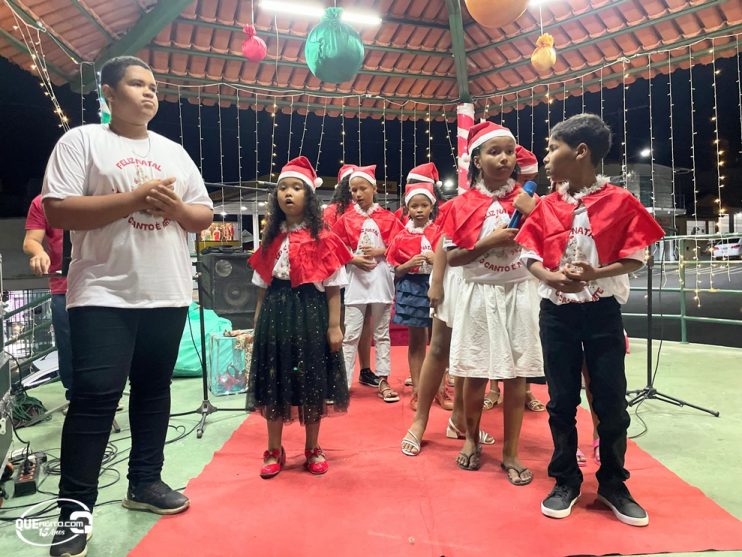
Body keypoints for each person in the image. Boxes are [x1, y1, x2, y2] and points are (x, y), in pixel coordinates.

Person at [41, 55, 214, 557]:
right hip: (102, 291)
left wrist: (174, 208)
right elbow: (59, 208)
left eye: (153, 86)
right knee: (95, 397)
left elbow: (201, 215)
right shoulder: (81, 142)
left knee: (154, 390)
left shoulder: (174, 152)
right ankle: (74, 512)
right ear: (109, 95)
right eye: (136, 84)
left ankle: (145, 483)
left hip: (166, 289)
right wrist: (136, 198)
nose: (148, 93)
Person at [517, 113, 664, 525]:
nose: (545, 157)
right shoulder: (546, 206)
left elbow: (634, 257)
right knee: (561, 401)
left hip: (602, 314)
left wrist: (596, 275)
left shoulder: (619, 202)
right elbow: (528, 256)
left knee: (612, 403)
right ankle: (565, 479)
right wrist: (549, 276)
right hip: (557, 315)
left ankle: (614, 484)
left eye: (551, 147)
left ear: (580, 151)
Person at [444, 121, 543, 485]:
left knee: (517, 376)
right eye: (493, 151)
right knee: (473, 374)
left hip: (519, 293)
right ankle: (470, 438)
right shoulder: (462, 204)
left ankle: (511, 451)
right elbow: (454, 258)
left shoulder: (529, 200)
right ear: (477, 159)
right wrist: (490, 242)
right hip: (479, 295)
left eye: (508, 152)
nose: (503, 159)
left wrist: (534, 214)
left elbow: (550, 243)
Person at [247, 156, 351, 479]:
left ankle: (312, 447)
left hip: (311, 315)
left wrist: (334, 326)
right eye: (282, 188)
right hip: (275, 315)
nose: (287, 193)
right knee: (273, 382)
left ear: (310, 196)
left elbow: (333, 288)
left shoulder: (324, 238)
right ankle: (274, 449)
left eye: (295, 187)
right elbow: (262, 289)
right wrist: (257, 327)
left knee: (312, 382)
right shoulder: (271, 238)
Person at [333, 165, 403, 401]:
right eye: (353, 190)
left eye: (362, 188)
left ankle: (383, 380)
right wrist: (352, 258)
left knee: (382, 333)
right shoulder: (345, 219)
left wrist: (382, 249)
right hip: (356, 282)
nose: (358, 194)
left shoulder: (387, 217)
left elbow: (402, 244)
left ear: (374, 188)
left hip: (381, 280)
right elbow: (333, 246)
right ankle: (341, 382)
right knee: (351, 334)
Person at [386, 173, 442, 410]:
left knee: (439, 342)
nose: (419, 210)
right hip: (411, 289)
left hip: (437, 286)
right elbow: (394, 269)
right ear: (407, 208)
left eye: (424, 205)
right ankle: (418, 389)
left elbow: (452, 261)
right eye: (414, 206)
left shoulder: (440, 232)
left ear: (432, 206)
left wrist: (436, 258)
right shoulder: (400, 236)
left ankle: (439, 389)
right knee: (417, 341)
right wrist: (407, 265)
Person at [323, 164, 377, 388]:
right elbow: (327, 244)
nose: (355, 191)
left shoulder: (368, 210)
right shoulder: (332, 211)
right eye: (351, 185)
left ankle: (365, 370)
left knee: (365, 324)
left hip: (365, 275)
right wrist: (352, 259)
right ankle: (337, 373)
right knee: (340, 325)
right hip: (338, 276)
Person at [23, 194, 73, 400]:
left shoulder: (97, 190)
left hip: (104, 284)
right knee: (68, 348)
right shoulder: (41, 201)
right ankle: (75, 397)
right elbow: (30, 241)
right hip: (64, 287)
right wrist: (39, 252)